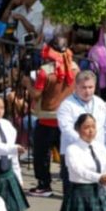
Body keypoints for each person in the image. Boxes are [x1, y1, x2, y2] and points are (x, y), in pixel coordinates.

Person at [26, 38, 76, 196]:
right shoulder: (75, 68)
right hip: (67, 120)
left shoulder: (45, 71)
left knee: (41, 154)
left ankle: (43, 185)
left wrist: (27, 84)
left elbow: (37, 94)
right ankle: (70, 188)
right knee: (67, 157)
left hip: (47, 118)